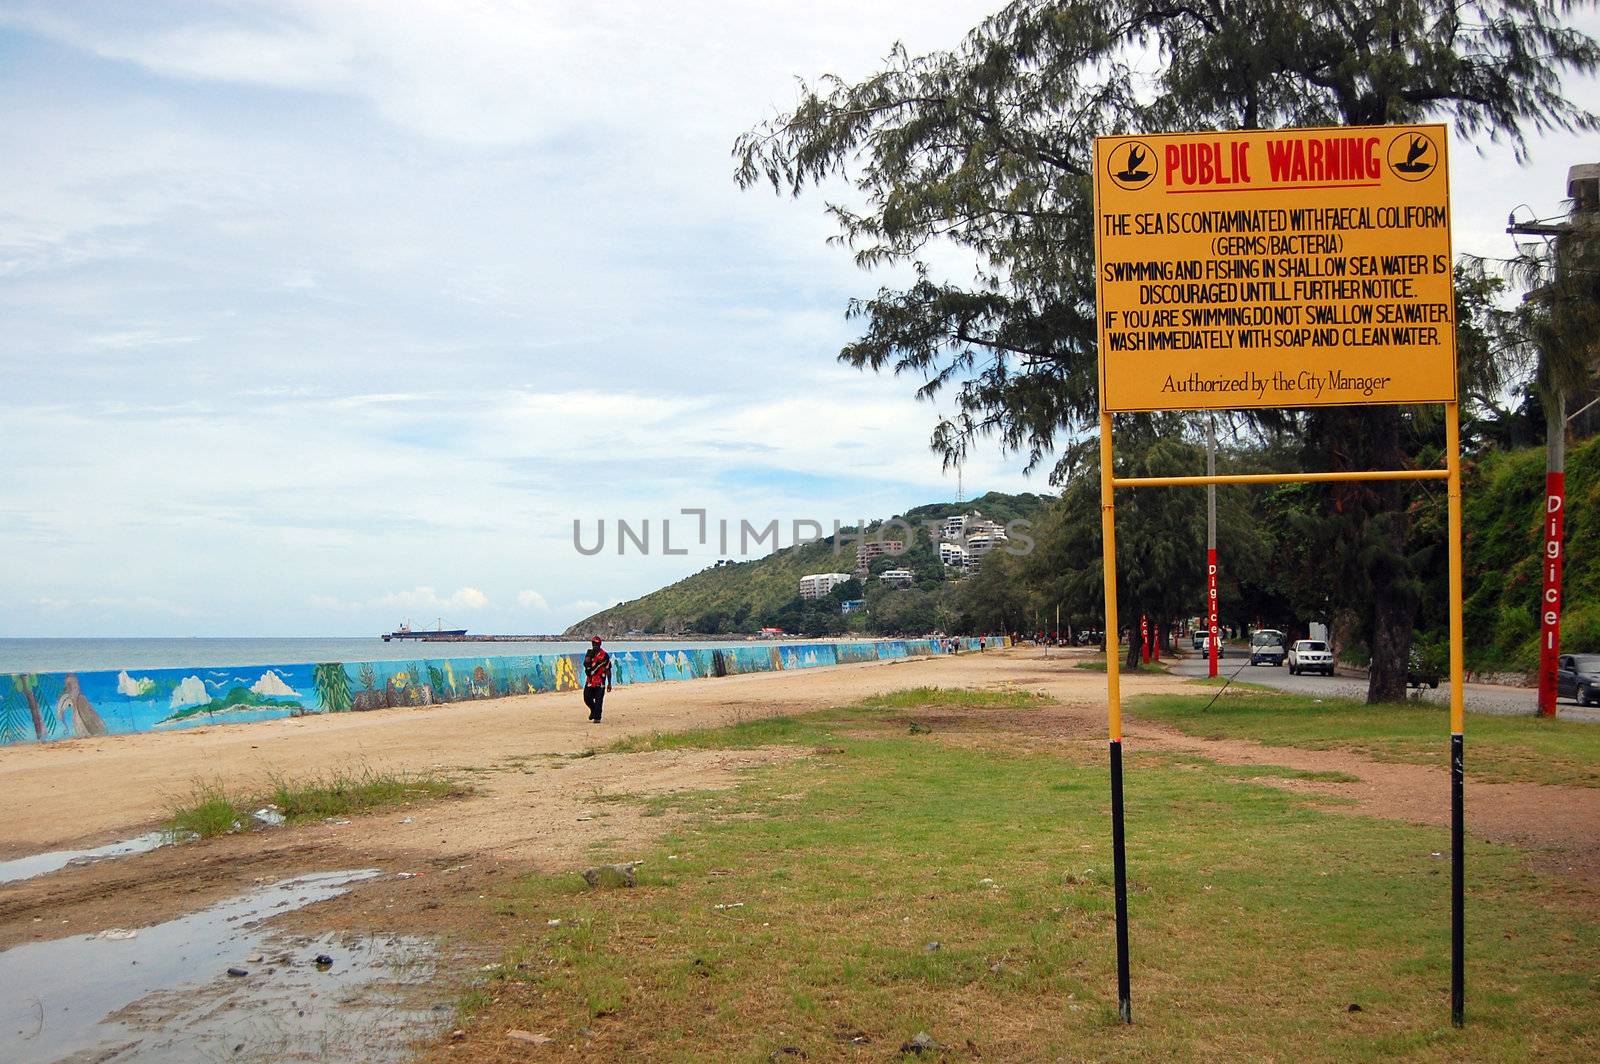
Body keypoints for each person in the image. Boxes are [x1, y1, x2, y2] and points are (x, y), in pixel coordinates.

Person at [582, 636, 613, 723]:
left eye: (597, 644)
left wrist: (609, 683)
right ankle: (593, 710)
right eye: (593, 644)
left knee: (599, 700)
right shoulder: (589, 653)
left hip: (600, 681)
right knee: (587, 698)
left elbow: (608, 669)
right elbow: (586, 664)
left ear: (600, 644)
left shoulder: (604, 655)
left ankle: (597, 717)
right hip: (590, 681)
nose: (595, 646)